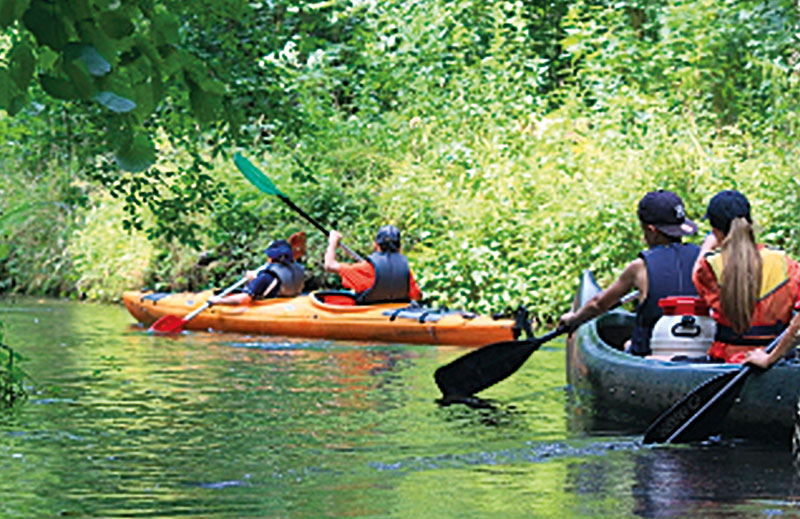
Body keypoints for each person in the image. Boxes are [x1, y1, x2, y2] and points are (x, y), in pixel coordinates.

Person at [558, 190, 700, 356]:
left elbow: (599, 304)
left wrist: (573, 319)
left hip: (650, 356)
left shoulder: (640, 267)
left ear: (652, 230)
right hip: (699, 350)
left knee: (627, 344)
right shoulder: (704, 259)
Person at [693, 190, 800, 363]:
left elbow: (697, 276)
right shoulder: (786, 264)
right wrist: (771, 357)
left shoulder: (709, 268)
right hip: (779, 365)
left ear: (715, 230)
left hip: (725, 366)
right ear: (750, 224)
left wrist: (707, 245)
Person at [324, 224, 422, 303]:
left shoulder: (366, 268)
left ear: (376, 245)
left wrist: (332, 242)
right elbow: (417, 296)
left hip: (370, 314)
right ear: (400, 247)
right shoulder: (404, 269)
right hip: (394, 314)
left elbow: (329, 265)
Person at [208, 234, 306, 305]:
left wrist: (218, 301)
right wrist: (253, 279)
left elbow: (243, 299)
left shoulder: (266, 276)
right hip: (289, 303)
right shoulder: (298, 269)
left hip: (270, 308)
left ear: (270, 257)